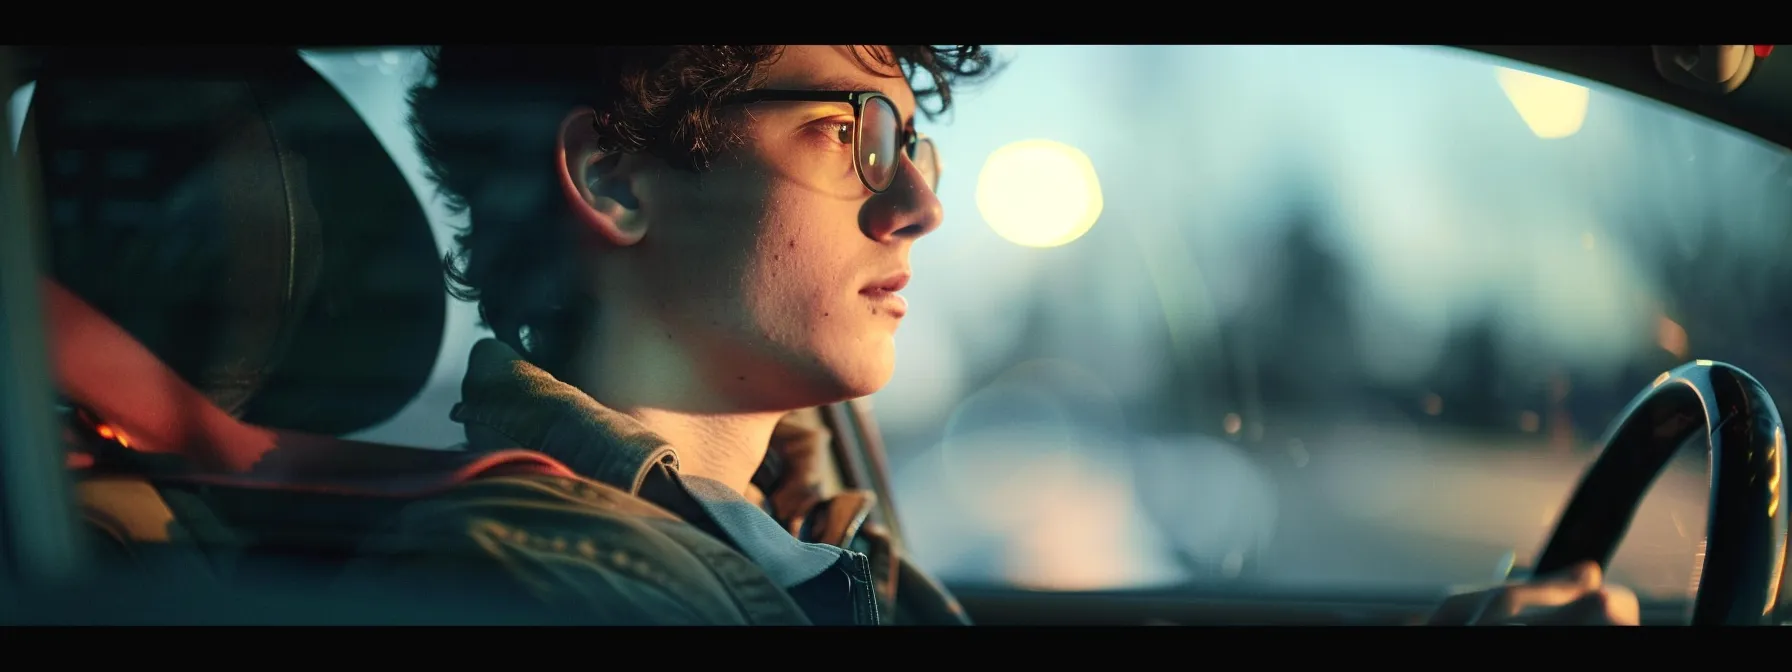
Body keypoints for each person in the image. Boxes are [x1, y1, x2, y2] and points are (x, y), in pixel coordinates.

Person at [334, 44, 1640, 626]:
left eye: (923, 147)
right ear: (617, 180)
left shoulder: (791, 537)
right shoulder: (542, 586)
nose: (918, 206)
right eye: (856, 135)